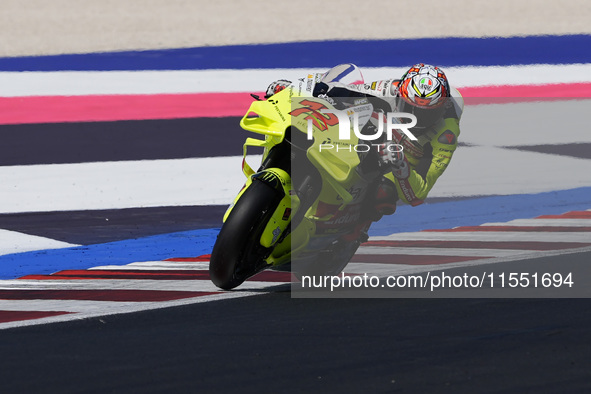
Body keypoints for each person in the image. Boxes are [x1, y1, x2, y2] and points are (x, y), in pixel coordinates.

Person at [265, 63, 464, 222]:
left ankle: (351, 232)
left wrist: (401, 166)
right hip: (376, 137)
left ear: (442, 108)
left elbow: (418, 195)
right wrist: (291, 89)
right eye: (411, 108)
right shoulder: (389, 88)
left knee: (383, 194)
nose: (417, 118)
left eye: (427, 114)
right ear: (400, 95)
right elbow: (343, 89)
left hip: (402, 165)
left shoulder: (446, 135)